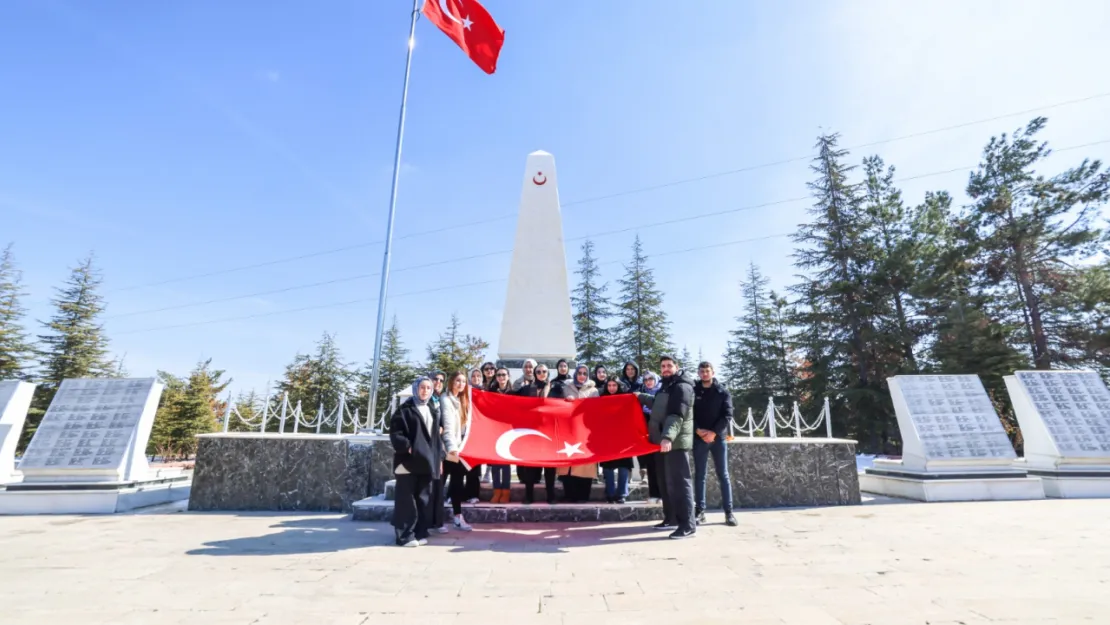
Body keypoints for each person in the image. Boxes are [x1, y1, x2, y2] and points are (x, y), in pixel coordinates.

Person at [636, 355, 696, 540]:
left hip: (674, 443)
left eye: (669, 365)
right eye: (663, 366)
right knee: (666, 483)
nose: (666, 368)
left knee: (680, 483)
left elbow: (676, 415)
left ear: (677, 367)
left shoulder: (682, 386)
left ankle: (687, 525)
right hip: (661, 443)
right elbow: (658, 406)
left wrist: (667, 437)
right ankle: (671, 519)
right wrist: (640, 397)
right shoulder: (667, 385)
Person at [389, 376, 444, 547]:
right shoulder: (404, 410)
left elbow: (435, 438)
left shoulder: (432, 409)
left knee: (423, 499)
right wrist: (408, 447)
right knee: (407, 500)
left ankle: (419, 532)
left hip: (427, 462)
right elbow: (396, 433)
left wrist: (439, 458)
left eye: (428, 388)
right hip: (408, 462)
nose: (425, 390)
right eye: (422, 387)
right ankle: (404, 536)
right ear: (415, 389)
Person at [693, 362, 737, 526]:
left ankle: (729, 513)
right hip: (699, 438)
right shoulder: (694, 391)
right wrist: (697, 430)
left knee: (723, 475)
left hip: (718, 439)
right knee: (700, 476)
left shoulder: (722, 391)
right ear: (698, 373)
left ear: (713, 372)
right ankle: (700, 511)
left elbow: (727, 415)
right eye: (702, 371)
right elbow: (689, 413)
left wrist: (713, 433)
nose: (704, 374)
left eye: (707, 371)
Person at [438, 371, 475, 531]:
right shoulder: (446, 400)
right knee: (439, 484)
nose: (460, 384)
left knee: (457, 484)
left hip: (459, 448)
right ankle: (436, 520)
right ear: (452, 381)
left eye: (463, 382)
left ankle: (458, 517)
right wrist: (452, 448)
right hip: (447, 449)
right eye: (458, 381)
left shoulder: (463, 400)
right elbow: (447, 427)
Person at [556, 365, 598, 502]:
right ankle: (569, 494)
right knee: (568, 463)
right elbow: (558, 406)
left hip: (585, 431)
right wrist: (565, 401)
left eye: (584, 373)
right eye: (579, 373)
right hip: (569, 430)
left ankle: (583, 495)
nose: (581, 375)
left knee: (585, 464)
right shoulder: (566, 388)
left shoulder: (593, 391)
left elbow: (597, 409)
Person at [516, 364, 557, 505]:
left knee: (550, 467)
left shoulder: (555, 389)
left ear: (548, 373)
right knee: (530, 466)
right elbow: (512, 399)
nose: (541, 373)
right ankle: (528, 495)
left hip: (549, 432)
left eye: (544, 371)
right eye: (538, 371)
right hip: (531, 432)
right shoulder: (526, 389)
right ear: (534, 373)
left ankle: (551, 495)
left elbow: (564, 404)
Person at [599, 378, 634, 504]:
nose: (612, 388)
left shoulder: (625, 398)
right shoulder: (601, 399)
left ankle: (622, 494)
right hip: (607, 438)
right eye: (609, 385)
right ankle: (610, 493)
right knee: (608, 467)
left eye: (614, 385)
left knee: (623, 466)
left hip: (623, 437)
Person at [487, 367, 514, 503]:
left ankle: (506, 491)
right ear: (496, 377)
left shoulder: (514, 393)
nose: (501, 377)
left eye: (504, 375)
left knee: (506, 464)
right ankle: (496, 491)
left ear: (508, 376)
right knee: (495, 463)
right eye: (499, 375)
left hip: (508, 430)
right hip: (494, 430)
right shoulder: (490, 392)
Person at [636, 370, 662, 503]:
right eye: (645, 380)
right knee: (651, 465)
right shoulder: (640, 398)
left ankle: (664, 495)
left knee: (662, 466)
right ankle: (654, 494)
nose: (648, 382)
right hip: (647, 436)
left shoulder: (662, 393)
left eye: (651, 379)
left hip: (661, 435)